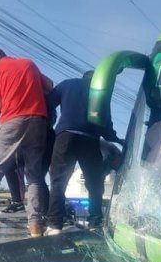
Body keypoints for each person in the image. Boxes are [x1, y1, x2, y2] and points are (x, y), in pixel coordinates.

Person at [0, 47, 55, 237]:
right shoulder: (28, 63)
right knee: (34, 175)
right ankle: (35, 224)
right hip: (38, 120)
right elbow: (50, 85)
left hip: (12, 120)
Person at [46, 70, 119, 233]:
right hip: (89, 138)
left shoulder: (66, 84)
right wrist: (116, 138)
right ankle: (95, 222)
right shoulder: (100, 93)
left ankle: (54, 224)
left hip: (65, 135)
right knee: (95, 182)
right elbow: (106, 123)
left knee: (59, 180)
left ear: (83, 77)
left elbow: (48, 103)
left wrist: (49, 125)